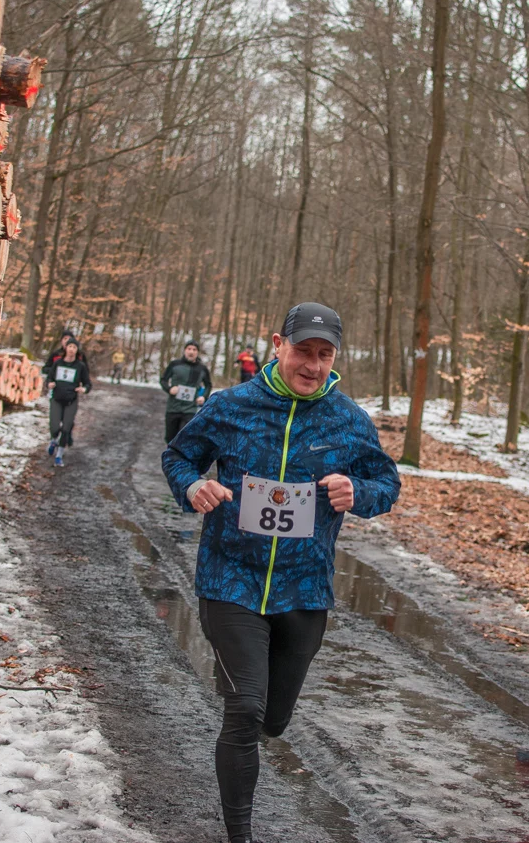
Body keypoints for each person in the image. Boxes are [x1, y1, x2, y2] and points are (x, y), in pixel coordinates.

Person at [161, 302, 400, 843]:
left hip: (304, 590)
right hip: (230, 579)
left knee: (272, 719)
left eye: (324, 354)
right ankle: (239, 835)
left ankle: (257, 699)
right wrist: (194, 486)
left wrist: (359, 492)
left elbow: (386, 484)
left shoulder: (348, 420)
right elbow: (178, 457)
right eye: (302, 351)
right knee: (245, 708)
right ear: (277, 345)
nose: (312, 365)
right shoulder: (231, 406)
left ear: (335, 358)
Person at [46, 340, 91, 467]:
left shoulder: (80, 366)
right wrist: (49, 383)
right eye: (70, 346)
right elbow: (49, 377)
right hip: (57, 398)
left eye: (74, 347)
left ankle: (59, 456)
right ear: (65, 348)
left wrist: (84, 389)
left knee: (66, 428)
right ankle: (54, 440)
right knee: (54, 427)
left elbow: (88, 383)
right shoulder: (58, 363)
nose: (71, 349)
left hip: (71, 400)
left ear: (77, 350)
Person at [160, 340, 213, 442]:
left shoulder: (202, 369)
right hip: (173, 408)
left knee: (184, 437)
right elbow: (163, 380)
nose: (191, 352)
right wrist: (169, 389)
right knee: (170, 438)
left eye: (194, 349)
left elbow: (208, 385)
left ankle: (179, 452)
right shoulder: (175, 364)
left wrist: (203, 396)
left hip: (190, 409)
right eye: (189, 349)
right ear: (185, 350)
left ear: (197, 352)